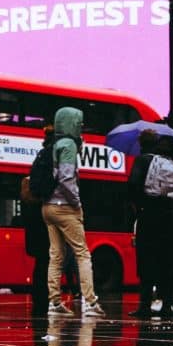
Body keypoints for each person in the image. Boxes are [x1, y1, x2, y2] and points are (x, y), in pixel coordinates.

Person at [42, 106, 105, 317]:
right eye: (79, 123)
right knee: (83, 254)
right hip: (65, 207)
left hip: (48, 207)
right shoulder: (68, 144)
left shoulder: (54, 143)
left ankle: (54, 302)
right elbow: (66, 178)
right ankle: (90, 301)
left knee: (56, 255)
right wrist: (77, 203)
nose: (81, 127)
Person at [127, 131, 173, 317]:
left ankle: (145, 306)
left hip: (150, 219)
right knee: (168, 264)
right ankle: (167, 305)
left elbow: (132, 185)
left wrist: (139, 207)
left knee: (146, 262)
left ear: (142, 144)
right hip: (172, 221)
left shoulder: (143, 160)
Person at [21, 125, 55, 315]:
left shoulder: (40, 156)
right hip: (44, 220)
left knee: (42, 263)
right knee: (47, 262)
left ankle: (40, 299)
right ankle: (44, 300)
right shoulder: (50, 157)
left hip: (35, 221)